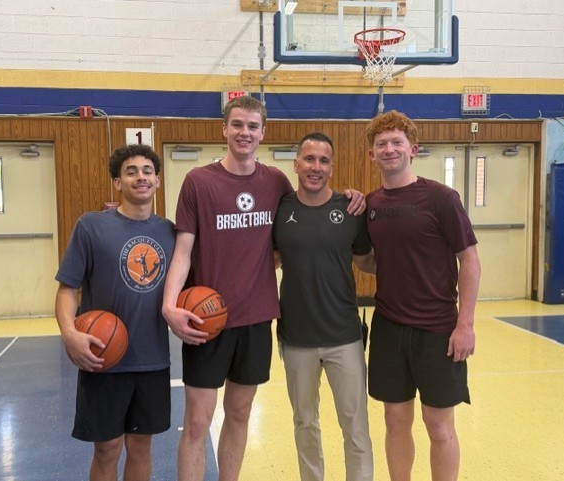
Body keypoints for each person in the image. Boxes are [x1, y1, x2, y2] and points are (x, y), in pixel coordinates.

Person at [161, 95, 365, 481]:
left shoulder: (275, 183)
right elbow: (183, 252)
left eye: (253, 126)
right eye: (237, 124)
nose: (245, 132)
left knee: (239, 415)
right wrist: (169, 305)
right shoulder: (198, 182)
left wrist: (353, 196)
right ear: (224, 129)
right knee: (198, 420)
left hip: (256, 320)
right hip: (207, 322)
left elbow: (308, 215)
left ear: (262, 133)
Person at [363, 110, 481, 481]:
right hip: (388, 329)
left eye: (397, 142)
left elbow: (470, 261)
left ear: (413, 149)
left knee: (439, 424)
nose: (389, 148)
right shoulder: (371, 204)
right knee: (395, 420)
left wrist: (465, 325)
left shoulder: (442, 198)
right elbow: (370, 263)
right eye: (381, 143)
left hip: (438, 330)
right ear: (371, 154)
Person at [55, 144, 176, 481]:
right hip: (103, 356)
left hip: (152, 360)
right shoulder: (91, 227)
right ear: (118, 183)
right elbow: (67, 289)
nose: (141, 177)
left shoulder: (171, 232)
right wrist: (69, 332)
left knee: (140, 445)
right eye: (131, 171)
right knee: (107, 448)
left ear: (158, 181)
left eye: (147, 171)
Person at [273, 132, 375, 481]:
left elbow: (366, 261)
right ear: (297, 163)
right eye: (309, 159)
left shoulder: (350, 209)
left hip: (344, 335)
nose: (316, 167)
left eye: (323, 161)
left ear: (332, 167)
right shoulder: (281, 208)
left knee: (356, 427)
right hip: (296, 336)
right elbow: (266, 259)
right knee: (304, 423)